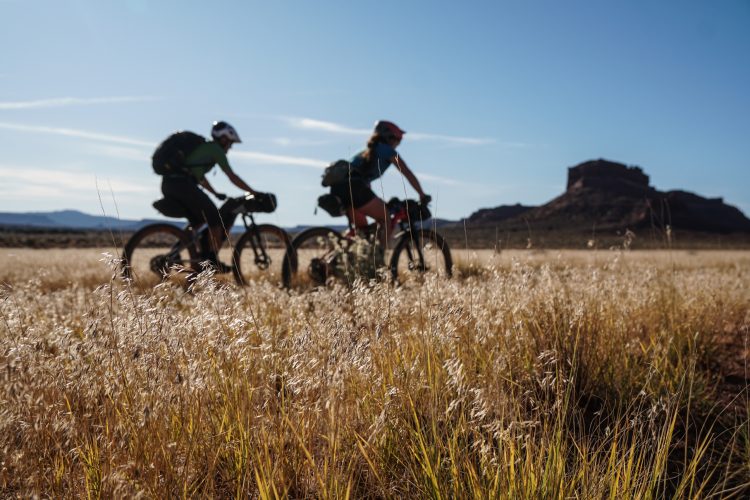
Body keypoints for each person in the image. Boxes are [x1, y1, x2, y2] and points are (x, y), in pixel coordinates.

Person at [160, 121, 257, 271]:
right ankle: (211, 260)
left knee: (198, 220)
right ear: (223, 139)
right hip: (182, 184)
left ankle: (174, 254)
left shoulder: (204, 150)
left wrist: (215, 193)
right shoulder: (214, 149)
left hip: (170, 184)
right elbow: (232, 176)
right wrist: (253, 192)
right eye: (230, 143)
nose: (230, 147)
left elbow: (200, 178)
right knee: (215, 216)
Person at [329, 120, 430, 248]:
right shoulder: (387, 150)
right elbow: (407, 172)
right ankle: (380, 263)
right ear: (390, 137)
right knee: (386, 219)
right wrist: (421, 194)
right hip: (355, 189)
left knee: (362, 232)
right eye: (399, 139)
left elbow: (360, 179)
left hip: (339, 189)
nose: (398, 143)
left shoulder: (366, 151)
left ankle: (336, 261)